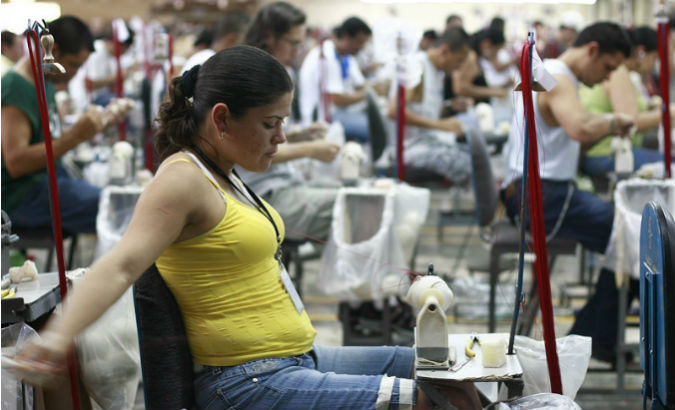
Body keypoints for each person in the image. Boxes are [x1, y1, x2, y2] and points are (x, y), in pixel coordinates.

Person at [12, 45, 481, 410]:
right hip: (245, 382)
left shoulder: (225, 172)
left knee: (452, 369)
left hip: (296, 359)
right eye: (271, 123)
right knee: (442, 399)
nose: (280, 136)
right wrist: (55, 339)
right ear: (221, 119)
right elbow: (119, 264)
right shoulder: (182, 179)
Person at [500, 22, 634, 362]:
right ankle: (591, 339)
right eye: (607, 68)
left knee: (629, 238)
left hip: (539, 192)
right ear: (591, 50)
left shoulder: (555, 75)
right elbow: (579, 127)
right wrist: (614, 120)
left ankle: (592, 335)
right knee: (637, 239)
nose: (607, 79)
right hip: (542, 197)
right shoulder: (557, 78)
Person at [1, 16, 128, 234]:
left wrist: (98, 123)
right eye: (73, 65)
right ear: (54, 51)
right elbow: (17, 162)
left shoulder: (46, 79)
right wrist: (76, 136)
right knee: (118, 209)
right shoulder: (17, 86)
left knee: (120, 199)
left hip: (49, 181)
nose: (75, 73)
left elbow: (49, 141)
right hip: (24, 196)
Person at [240, 1, 340, 240]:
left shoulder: (277, 74)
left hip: (283, 183)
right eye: (293, 43)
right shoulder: (251, 80)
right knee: (353, 208)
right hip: (261, 194)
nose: (298, 51)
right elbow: (250, 149)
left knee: (358, 195)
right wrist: (310, 149)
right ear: (269, 37)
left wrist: (298, 135)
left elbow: (265, 135)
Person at [580, 26, 672, 177]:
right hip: (605, 154)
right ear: (641, 51)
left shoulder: (623, 73)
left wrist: (650, 106)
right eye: (654, 58)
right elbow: (630, 122)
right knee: (670, 163)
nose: (653, 64)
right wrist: (667, 113)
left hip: (607, 152)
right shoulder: (618, 73)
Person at [387, 27, 473, 184]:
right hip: (408, 149)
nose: (459, 67)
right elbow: (394, 111)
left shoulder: (435, 71)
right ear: (444, 52)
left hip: (425, 141)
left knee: (474, 153)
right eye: (459, 60)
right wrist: (441, 125)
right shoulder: (416, 68)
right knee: (468, 163)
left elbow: (422, 109)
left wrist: (449, 106)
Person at [299, 16, 376, 143]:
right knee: (371, 128)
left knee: (374, 120)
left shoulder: (346, 57)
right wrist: (369, 93)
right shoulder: (326, 55)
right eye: (360, 42)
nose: (362, 47)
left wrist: (369, 90)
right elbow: (337, 99)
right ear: (345, 36)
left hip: (338, 112)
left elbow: (361, 84)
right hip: (322, 118)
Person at [181, 10, 251, 73]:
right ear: (231, 40)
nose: (248, 53)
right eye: (246, 45)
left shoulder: (204, 57)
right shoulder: (211, 64)